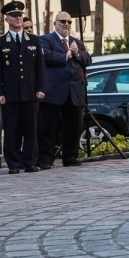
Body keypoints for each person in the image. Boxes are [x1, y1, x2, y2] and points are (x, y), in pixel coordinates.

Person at [0, 1, 46, 174]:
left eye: (20, 15)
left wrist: (41, 88)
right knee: (12, 130)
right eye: (14, 16)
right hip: (10, 94)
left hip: (30, 92)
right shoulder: (0, 42)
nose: (18, 18)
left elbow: (40, 67)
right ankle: (14, 163)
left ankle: (30, 162)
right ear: (7, 19)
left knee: (31, 129)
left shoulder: (34, 40)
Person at [38, 11, 91, 169]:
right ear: (55, 23)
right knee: (48, 127)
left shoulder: (77, 42)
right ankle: (46, 159)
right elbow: (45, 56)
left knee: (73, 126)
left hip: (74, 92)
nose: (66, 24)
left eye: (69, 22)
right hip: (53, 91)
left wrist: (77, 53)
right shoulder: (46, 40)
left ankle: (70, 157)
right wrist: (65, 56)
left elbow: (88, 59)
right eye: (63, 21)